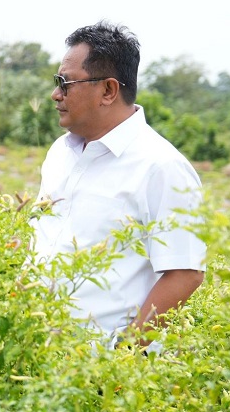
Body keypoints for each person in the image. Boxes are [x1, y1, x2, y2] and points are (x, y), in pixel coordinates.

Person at [31, 22, 206, 344]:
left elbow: (184, 273)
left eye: (65, 83)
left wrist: (120, 360)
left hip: (104, 374)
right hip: (39, 356)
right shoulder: (61, 152)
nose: (55, 94)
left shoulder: (161, 167)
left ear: (108, 90)